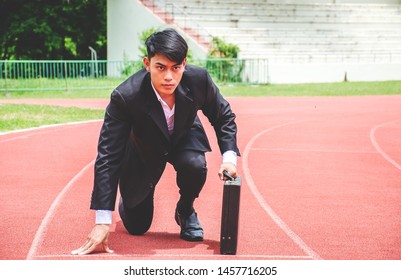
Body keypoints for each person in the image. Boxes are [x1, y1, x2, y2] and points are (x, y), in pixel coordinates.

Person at [71, 28, 240, 255]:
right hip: (143, 148)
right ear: (147, 63)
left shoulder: (199, 80)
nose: (169, 77)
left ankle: (185, 210)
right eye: (160, 67)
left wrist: (229, 159)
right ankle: (131, 200)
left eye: (175, 68)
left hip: (184, 136)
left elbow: (223, 116)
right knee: (137, 226)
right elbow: (108, 155)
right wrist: (103, 220)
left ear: (184, 64)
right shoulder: (125, 97)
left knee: (195, 164)